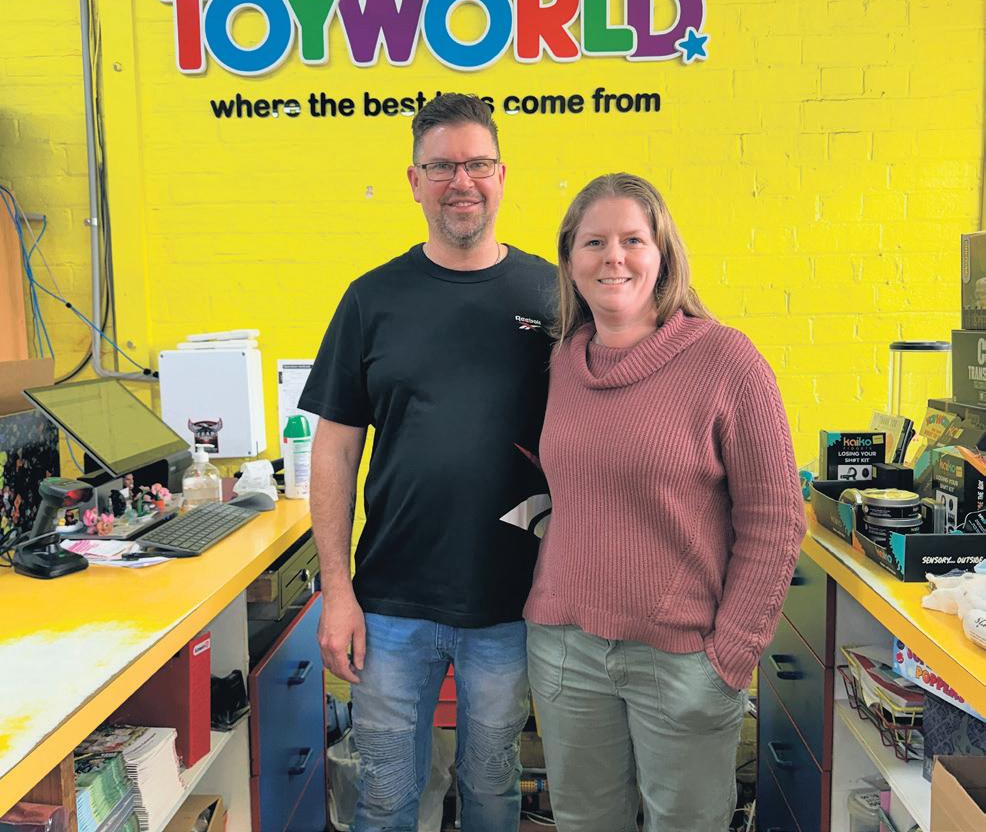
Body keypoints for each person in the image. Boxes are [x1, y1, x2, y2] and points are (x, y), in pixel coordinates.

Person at [298, 93, 554, 832]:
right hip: (389, 604)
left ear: (502, 176)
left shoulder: (550, 294)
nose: (460, 181)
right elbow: (336, 451)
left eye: (477, 164)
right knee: (385, 797)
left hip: (510, 602)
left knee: (493, 792)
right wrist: (337, 592)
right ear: (414, 181)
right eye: (441, 167)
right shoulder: (371, 299)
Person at [524, 173, 806, 832]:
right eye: (594, 242)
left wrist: (731, 656)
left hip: (682, 657)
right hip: (565, 650)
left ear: (663, 254)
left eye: (632, 240)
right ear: (570, 260)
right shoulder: (562, 363)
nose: (613, 257)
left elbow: (775, 520)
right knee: (585, 823)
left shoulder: (726, 361)